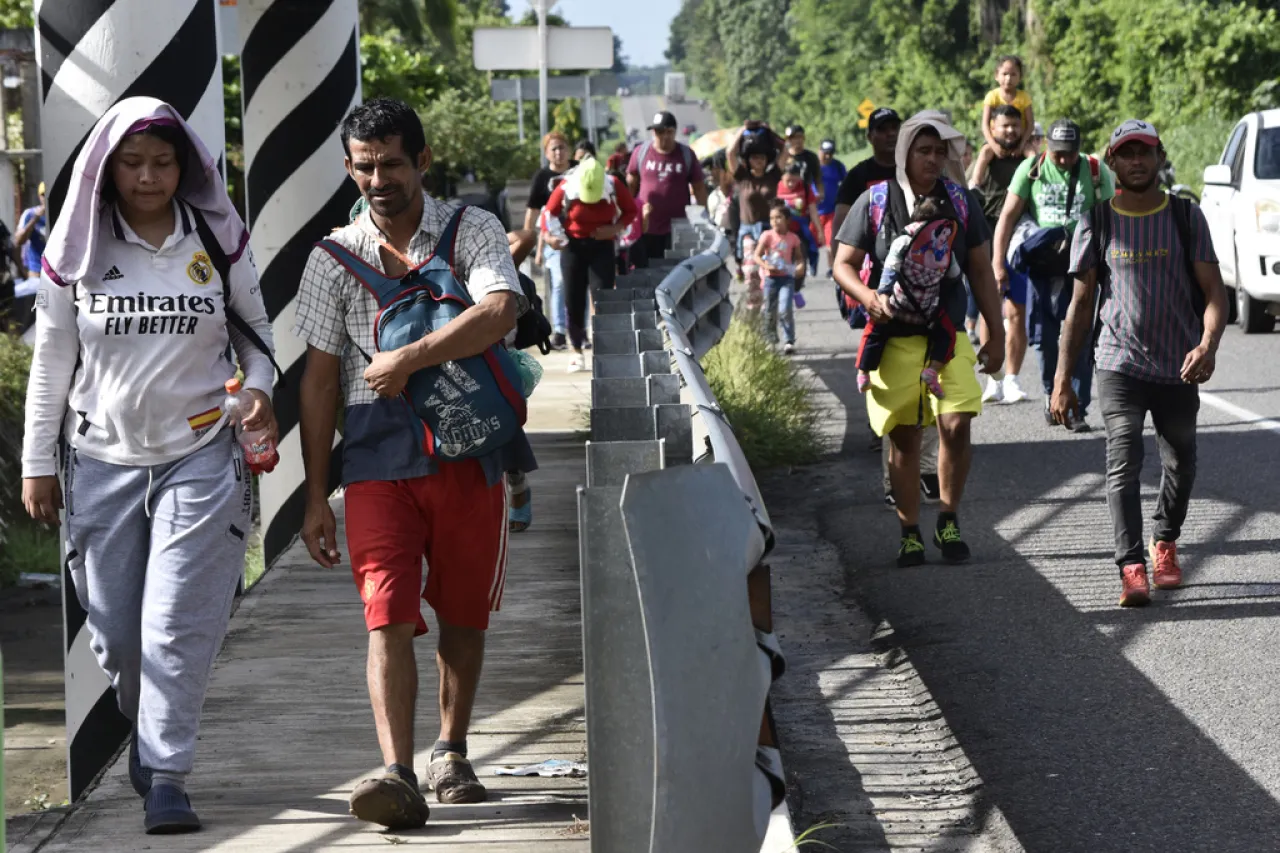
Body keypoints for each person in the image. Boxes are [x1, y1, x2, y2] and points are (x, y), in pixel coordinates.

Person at [22, 97, 279, 834]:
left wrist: (258, 391)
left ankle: (167, 773)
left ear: (185, 166)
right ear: (106, 170)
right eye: (132, 163)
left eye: (163, 162)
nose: (148, 177)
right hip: (99, 460)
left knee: (173, 625)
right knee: (117, 634)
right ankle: (148, 719)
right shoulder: (75, 253)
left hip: (199, 455)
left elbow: (255, 334)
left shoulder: (215, 240)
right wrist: (38, 460)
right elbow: (50, 363)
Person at [293, 98, 535, 829]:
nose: (378, 178)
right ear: (348, 168)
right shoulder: (330, 257)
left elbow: (501, 310)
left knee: (462, 610)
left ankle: (451, 749)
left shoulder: (472, 229)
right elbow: (318, 378)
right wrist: (312, 497)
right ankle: (397, 772)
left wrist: (409, 356)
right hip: (374, 456)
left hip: (470, 449)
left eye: (392, 163)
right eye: (364, 166)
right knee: (385, 612)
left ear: (422, 162)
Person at [1051, 119, 1227, 607]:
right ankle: (1131, 566)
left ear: (1158, 157)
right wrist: (1064, 377)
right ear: (1112, 160)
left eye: (1144, 152)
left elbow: (1214, 294)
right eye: (1127, 153)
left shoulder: (1185, 217)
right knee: (1123, 457)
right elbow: (1081, 306)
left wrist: (1208, 343)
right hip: (1118, 362)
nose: (1136, 161)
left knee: (1181, 463)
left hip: (1178, 364)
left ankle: (1164, 543)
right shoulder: (1098, 220)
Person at [833, 111, 1004, 567]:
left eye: (939, 151)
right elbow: (842, 264)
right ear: (904, 153)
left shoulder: (961, 202)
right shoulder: (875, 201)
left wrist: (997, 333)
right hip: (893, 338)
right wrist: (868, 297)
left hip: (946, 335)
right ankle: (910, 531)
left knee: (956, 422)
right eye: (923, 151)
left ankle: (948, 519)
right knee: (905, 439)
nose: (933, 159)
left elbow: (981, 272)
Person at [993, 117, 1115, 429]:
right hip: (1042, 266)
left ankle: (1076, 406)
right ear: (1047, 145)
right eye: (1058, 153)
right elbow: (1007, 216)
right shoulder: (1031, 169)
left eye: (1070, 153)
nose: (1063, 159)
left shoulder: (1095, 171)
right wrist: (998, 264)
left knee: (1081, 337)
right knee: (1044, 338)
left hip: (1083, 265)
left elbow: (1113, 219)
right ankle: (1053, 397)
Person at [544, 142, 639, 373]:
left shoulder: (613, 184)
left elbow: (630, 211)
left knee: (602, 297)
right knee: (573, 298)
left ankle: (604, 348)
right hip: (572, 246)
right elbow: (549, 213)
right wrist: (553, 238)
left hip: (602, 245)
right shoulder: (566, 185)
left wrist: (614, 229)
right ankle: (576, 350)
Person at [858, 196, 963, 399]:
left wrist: (884, 297)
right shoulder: (944, 250)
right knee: (948, 335)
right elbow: (954, 276)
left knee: (873, 331)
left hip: (896, 308)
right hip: (928, 313)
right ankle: (932, 371)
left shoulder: (903, 241)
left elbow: (890, 269)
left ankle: (863, 372)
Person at [969, 104, 1031, 404]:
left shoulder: (1029, 157)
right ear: (992, 128)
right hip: (987, 241)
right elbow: (973, 186)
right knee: (988, 310)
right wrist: (984, 155)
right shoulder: (987, 156)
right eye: (1003, 126)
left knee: (1018, 311)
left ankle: (1013, 379)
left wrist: (1031, 153)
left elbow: (1042, 174)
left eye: (1014, 126)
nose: (1010, 131)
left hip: (1019, 243)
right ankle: (992, 379)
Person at [626, 110, 707, 268]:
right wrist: (629, 215)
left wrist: (705, 216)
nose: (664, 136)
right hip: (646, 226)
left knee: (674, 271)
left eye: (668, 132)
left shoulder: (685, 154)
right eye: (659, 131)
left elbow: (699, 187)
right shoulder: (641, 152)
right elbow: (631, 183)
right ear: (653, 132)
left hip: (677, 228)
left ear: (674, 132)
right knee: (646, 271)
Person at [727, 122, 785, 309]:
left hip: (770, 231)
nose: (758, 160)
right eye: (754, 157)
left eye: (761, 157)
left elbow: (786, 150)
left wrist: (769, 132)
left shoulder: (773, 176)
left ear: (767, 158)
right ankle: (754, 308)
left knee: (770, 273)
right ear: (748, 159)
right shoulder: (742, 177)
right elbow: (730, 153)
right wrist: (743, 130)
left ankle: (771, 309)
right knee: (751, 271)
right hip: (748, 232)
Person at [525, 133, 573, 349]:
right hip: (552, 240)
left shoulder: (578, 171)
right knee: (560, 282)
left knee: (578, 286)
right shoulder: (542, 177)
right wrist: (527, 239)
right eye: (553, 149)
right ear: (546, 153)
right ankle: (561, 331)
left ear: (569, 150)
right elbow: (533, 210)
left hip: (579, 239)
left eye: (562, 148)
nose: (558, 153)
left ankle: (578, 331)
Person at [831, 109, 902, 242]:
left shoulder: (914, 169)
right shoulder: (857, 176)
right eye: (882, 129)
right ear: (869, 137)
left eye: (895, 128)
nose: (891, 134)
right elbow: (840, 223)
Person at [754, 200, 804, 353]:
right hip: (770, 279)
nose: (774, 221)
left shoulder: (793, 238)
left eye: (778, 217)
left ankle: (789, 340)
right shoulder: (767, 236)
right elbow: (757, 255)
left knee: (784, 309)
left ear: (787, 220)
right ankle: (770, 339)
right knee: (769, 309)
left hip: (786, 279)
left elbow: (799, 258)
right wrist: (766, 266)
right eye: (771, 218)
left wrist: (799, 268)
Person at [775, 162, 824, 279]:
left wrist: (820, 231)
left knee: (810, 245)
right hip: (782, 227)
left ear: (799, 177)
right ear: (782, 177)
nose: (791, 184)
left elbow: (813, 211)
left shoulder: (805, 188)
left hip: (801, 226)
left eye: (794, 180)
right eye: (788, 181)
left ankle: (812, 265)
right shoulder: (777, 187)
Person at [981, 55, 1035, 158]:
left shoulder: (1024, 97)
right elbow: (985, 124)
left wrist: (1021, 144)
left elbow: (1030, 124)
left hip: (1019, 139)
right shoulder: (992, 96)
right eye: (1005, 74)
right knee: (984, 153)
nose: (1008, 78)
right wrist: (994, 145)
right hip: (997, 139)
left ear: (1020, 77)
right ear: (996, 76)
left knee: (1032, 154)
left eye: (1013, 74)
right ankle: (976, 175)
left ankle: (1039, 174)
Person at [817, 139, 847, 265]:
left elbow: (847, 184)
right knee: (811, 244)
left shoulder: (838, 166)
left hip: (831, 211)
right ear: (820, 151)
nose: (828, 156)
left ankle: (831, 267)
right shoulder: (814, 167)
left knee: (830, 241)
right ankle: (809, 265)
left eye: (830, 153)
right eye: (825, 153)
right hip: (814, 212)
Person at [782, 124, 823, 203]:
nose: (797, 140)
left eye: (799, 137)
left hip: (805, 198)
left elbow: (818, 179)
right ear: (788, 140)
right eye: (793, 138)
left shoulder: (811, 157)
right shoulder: (782, 157)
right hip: (786, 198)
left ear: (803, 138)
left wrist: (820, 193)